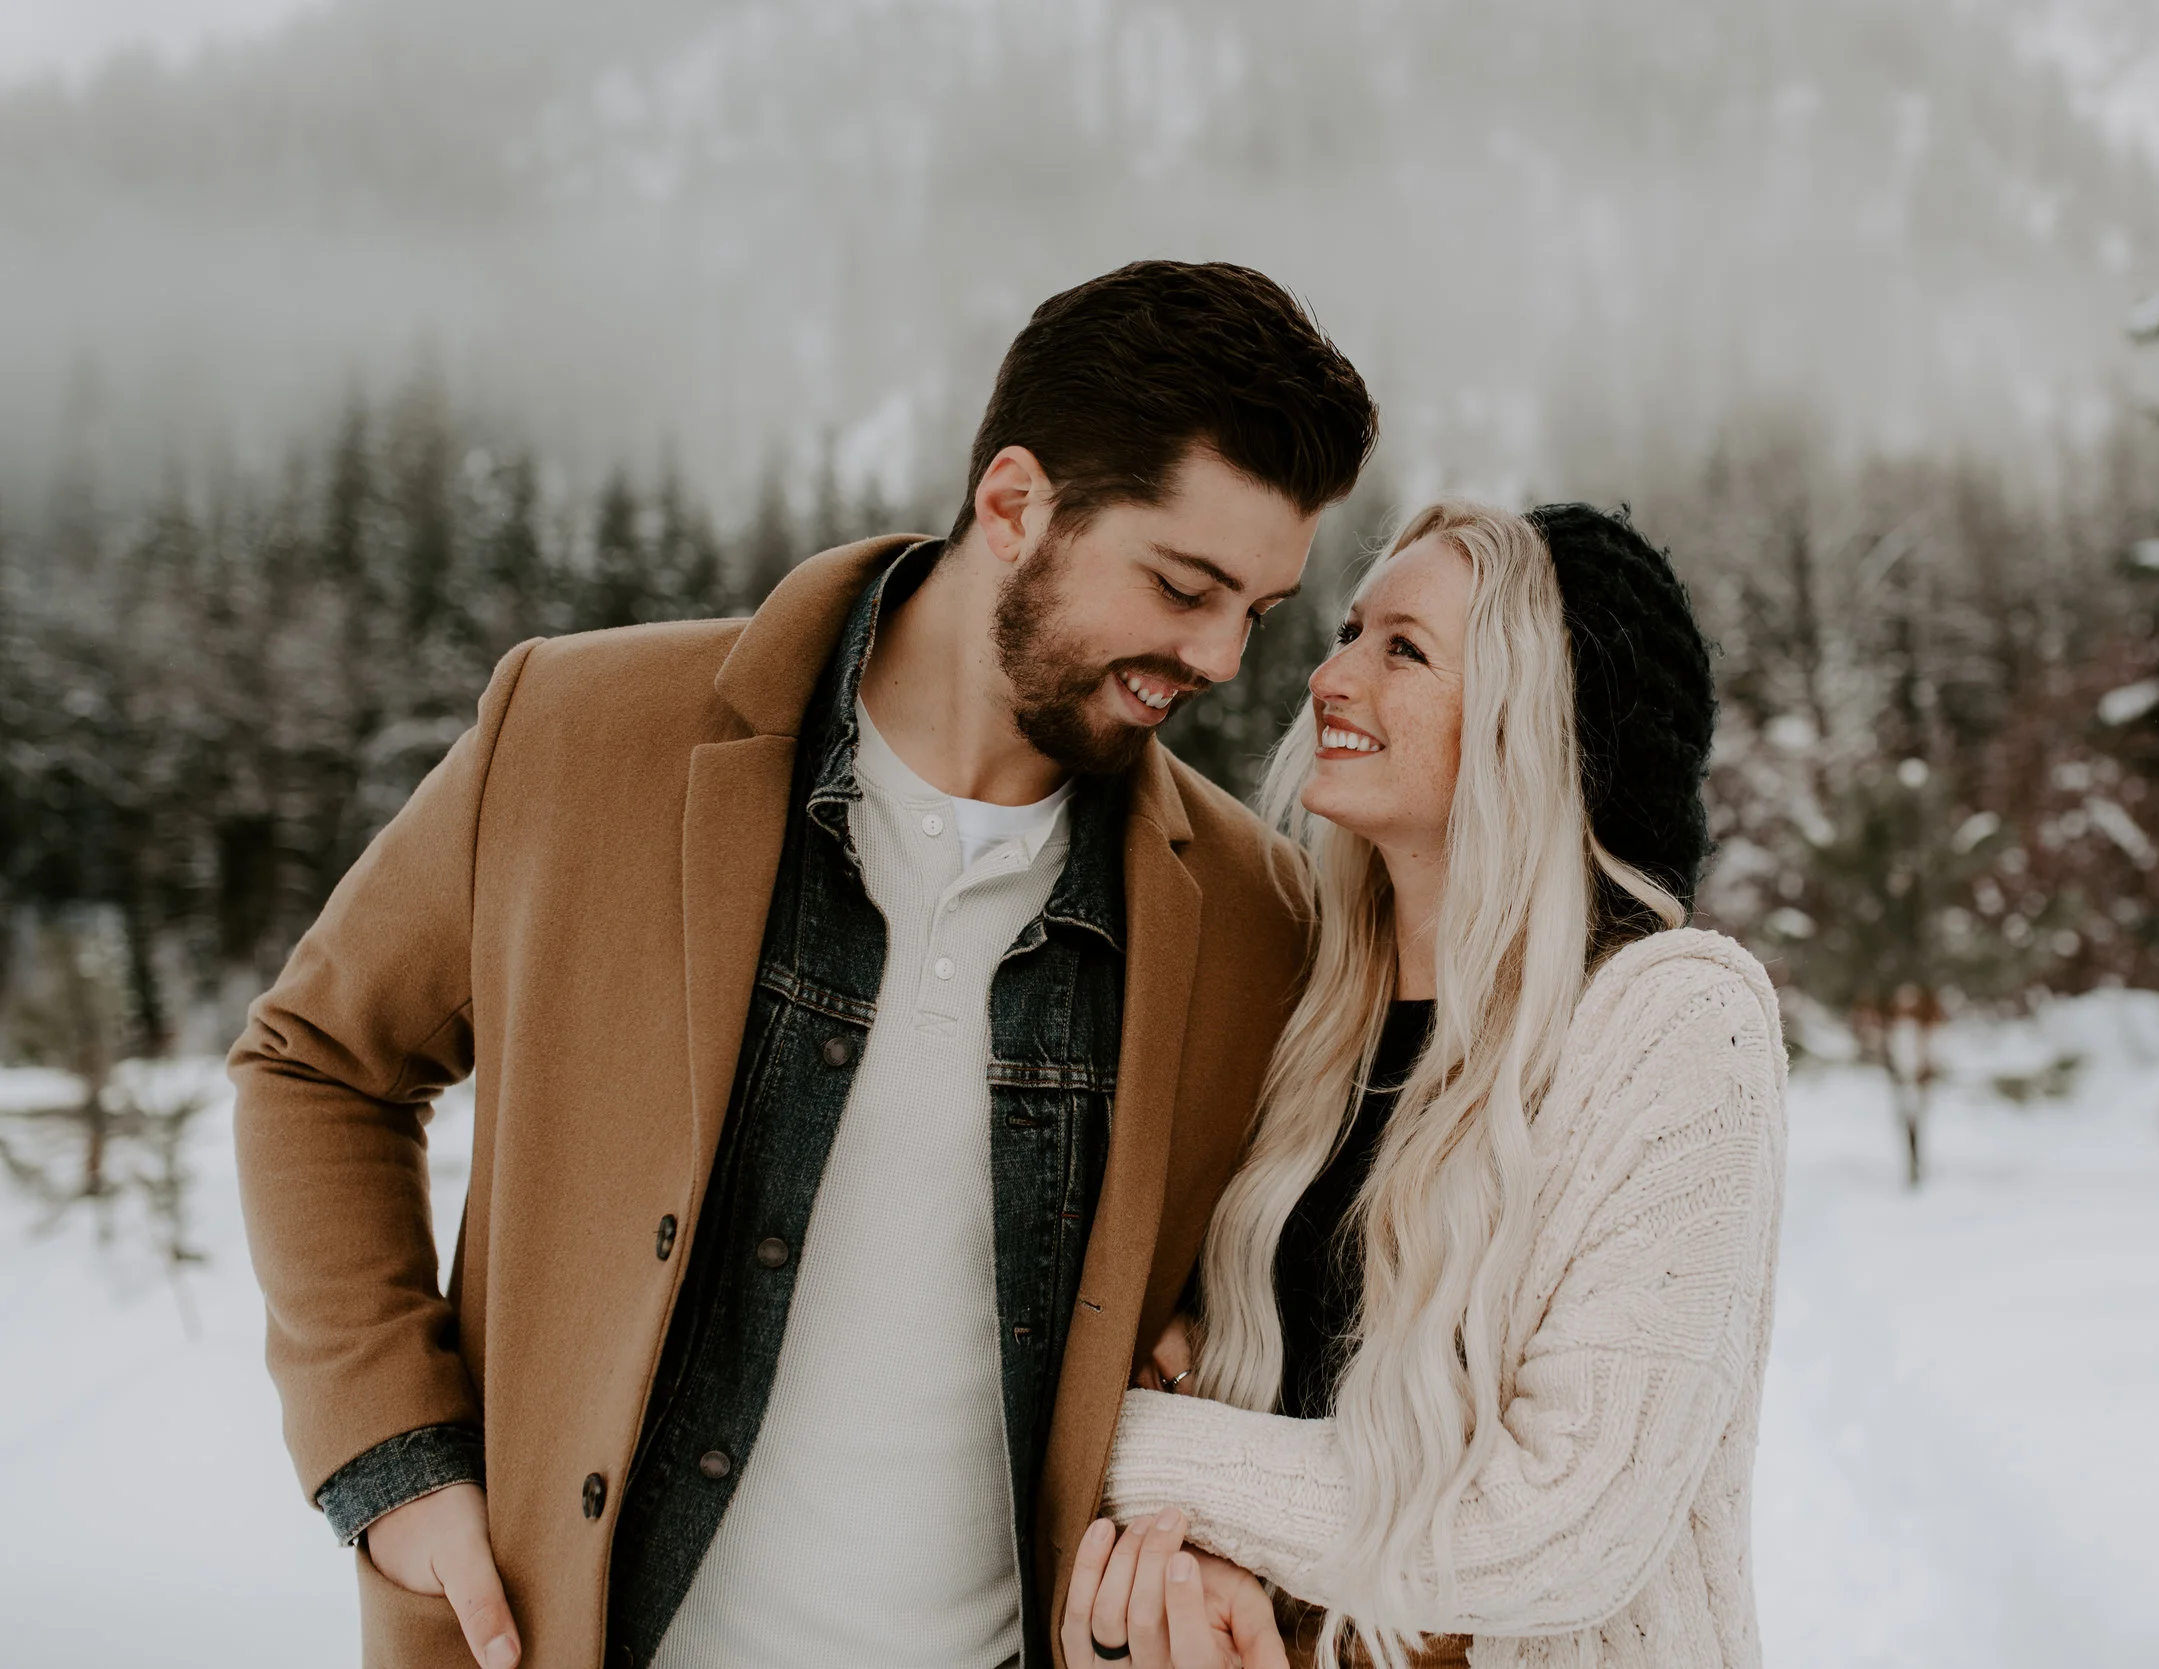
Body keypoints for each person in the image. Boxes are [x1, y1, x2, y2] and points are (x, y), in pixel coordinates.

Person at [229, 260, 1373, 1669]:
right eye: (1184, 584)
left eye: (1255, 611)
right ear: (1014, 504)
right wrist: (392, 1455)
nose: (1216, 655)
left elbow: (1293, 1296)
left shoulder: (1258, 921)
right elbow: (318, 1061)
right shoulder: (582, 734)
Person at [1065, 501, 1787, 1669]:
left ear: (1538, 721)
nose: (1327, 676)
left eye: (1402, 648)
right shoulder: (1303, 1021)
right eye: (1349, 631)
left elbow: (1556, 1524)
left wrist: (1110, 1438)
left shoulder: (1672, 1023)